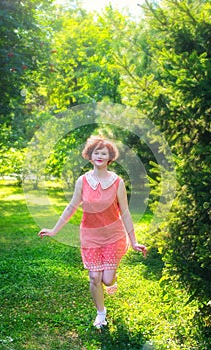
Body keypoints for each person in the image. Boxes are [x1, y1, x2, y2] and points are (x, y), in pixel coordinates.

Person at [38, 135, 147, 329]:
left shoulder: (117, 182)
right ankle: (101, 314)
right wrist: (54, 230)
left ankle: (112, 280)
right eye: (96, 152)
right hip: (90, 236)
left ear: (109, 158)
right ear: (90, 156)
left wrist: (135, 241)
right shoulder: (83, 181)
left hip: (114, 236)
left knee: (107, 279)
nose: (100, 156)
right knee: (94, 278)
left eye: (104, 153)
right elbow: (71, 206)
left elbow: (126, 213)